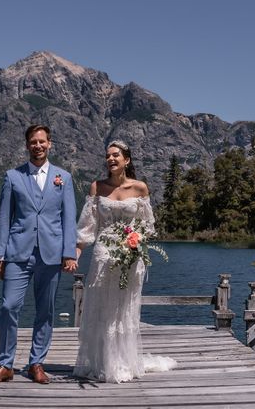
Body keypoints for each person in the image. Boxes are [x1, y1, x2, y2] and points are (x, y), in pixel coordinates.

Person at [73, 140, 177, 383]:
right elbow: (87, 228)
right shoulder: (97, 187)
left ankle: (122, 362)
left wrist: (135, 240)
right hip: (103, 254)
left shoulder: (140, 188)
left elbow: (148, 227)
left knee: (124, 309)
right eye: (108, 156)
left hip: (130, 256)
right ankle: (101, 362)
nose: (111, 159)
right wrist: (76, 253)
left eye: (116, 155)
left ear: (126, 160)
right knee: (101, 308)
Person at [0, 124, 78, 386]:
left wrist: (69, 253)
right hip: (17, 252)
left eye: (42, 141)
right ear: (27, 145)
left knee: (45, 311)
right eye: (33, 142)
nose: (38, 146)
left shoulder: (64, 178)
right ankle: (5, 364)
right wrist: (0, 255)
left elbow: (69, 219)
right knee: (8, 306)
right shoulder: (12, 177)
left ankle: (37, 362)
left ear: (50, 144)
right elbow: (4, 218)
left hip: (51, 253)